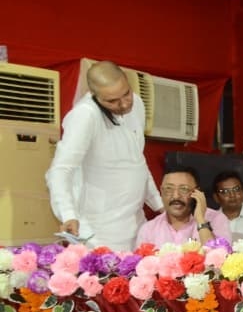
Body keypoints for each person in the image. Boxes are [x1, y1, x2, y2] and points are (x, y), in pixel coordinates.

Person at [45, 60, 162, 251]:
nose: (124, 104)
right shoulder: (85, 116)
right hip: (99, 229)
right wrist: (68, 214)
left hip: (136, 221)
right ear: (94, 95)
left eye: (126, 93)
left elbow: (137, 160)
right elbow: (60, 170)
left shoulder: (137, 103)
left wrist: (159, 204)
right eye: (112, 101)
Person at [137, 167, 232, 246]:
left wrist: (201, 220)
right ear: (161, 191)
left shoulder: (217, 219)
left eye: (183, 189)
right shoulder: (148, 230)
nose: (175, 196)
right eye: (169, 189)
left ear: (197, 192)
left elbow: (220, 258)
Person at [211, 171, 243, 241]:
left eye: (236, 189)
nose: (232, 195)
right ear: (216, 197)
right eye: (225, 191)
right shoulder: (210, 221)